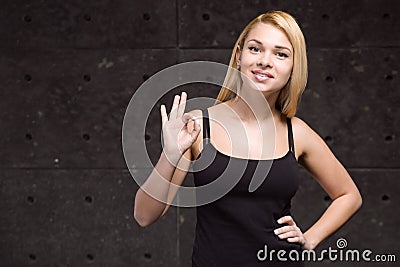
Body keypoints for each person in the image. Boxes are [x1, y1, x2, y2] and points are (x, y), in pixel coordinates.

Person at [134, 10, 363, 266]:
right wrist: (171, 154)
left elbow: (349, 195)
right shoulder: (198, 126)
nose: (265, 61)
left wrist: (309, 239)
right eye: (255, 49)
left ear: (292, 68)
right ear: (238, 55)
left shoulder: (296, 133)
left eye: (281, 54)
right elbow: (144, 215)